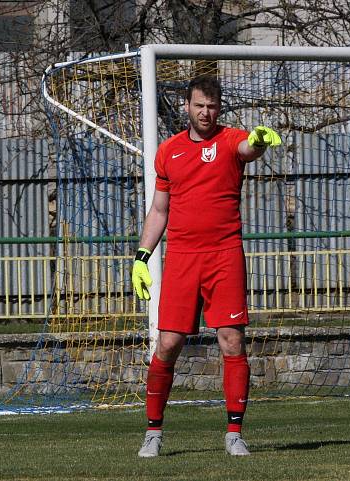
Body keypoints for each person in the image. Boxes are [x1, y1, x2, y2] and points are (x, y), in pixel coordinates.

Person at [131, 75, 282, 458]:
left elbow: (249, 149)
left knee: (232, 339)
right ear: (187, 106)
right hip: (182, 258)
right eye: (199, 105)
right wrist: (142, 256)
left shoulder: (231, 139)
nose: (206, 112)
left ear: (219, 108)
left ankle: (234, 434)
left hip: (224, 254)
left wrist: (260, 141)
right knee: (168, 343)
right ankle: (153, 433)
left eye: (212, 106)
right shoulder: (168, 151)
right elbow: (160, 209)